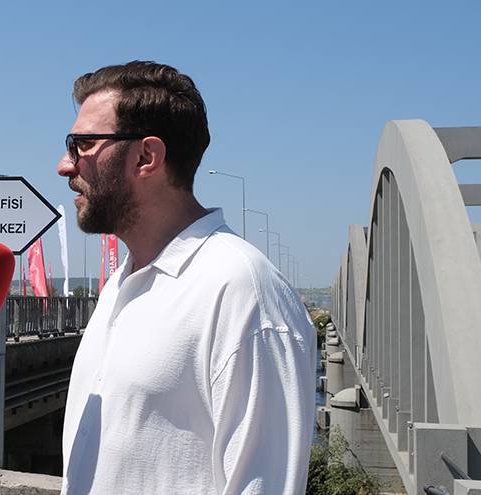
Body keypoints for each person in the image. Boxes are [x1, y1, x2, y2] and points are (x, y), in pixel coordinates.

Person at [57, 61, 316, 494]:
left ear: (145, 156)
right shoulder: (121, 284)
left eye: (81, 144)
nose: (65, 166)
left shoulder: (241, 290)